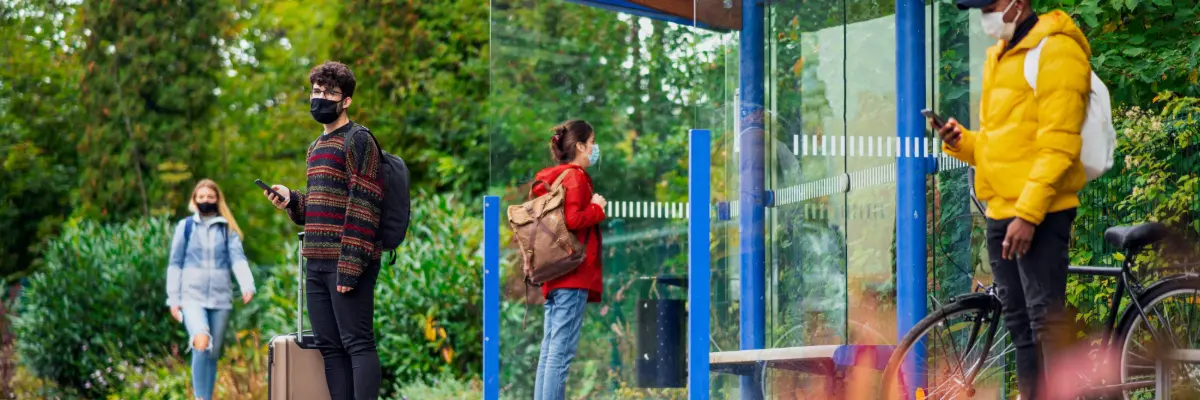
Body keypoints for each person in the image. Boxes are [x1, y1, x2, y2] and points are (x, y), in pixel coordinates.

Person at [939, 0, 1091, 397]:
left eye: (989, 6)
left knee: (1046, 325)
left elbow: (1060, 144)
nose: (983, 15)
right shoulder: (1000, 56)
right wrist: (961, 142)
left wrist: (1028, 214)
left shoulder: (1056, 50)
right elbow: (997, 145)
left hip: (1040, 213)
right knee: (1021, 328)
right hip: (1001, 213)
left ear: (1018, 4)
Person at [264, 61, 384, 400]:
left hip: (347, 262)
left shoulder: (358, 140)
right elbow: (317, 208)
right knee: (330, 348)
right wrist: (291, 201)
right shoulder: (316, 146)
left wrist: (350, 268)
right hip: (314, 262)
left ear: (345, 100)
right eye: (316, 91)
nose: (320, 98)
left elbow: (366, 206)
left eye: (329, 93)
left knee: (358, 344)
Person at [530, 120, 607, 400]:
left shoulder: (555, 177)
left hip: (556, 275)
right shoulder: (574, 177)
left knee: (550, 351)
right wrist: (597, 208)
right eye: (592, 142)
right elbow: (573, 219)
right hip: (573, 276)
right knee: (559, 355)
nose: (594, 149)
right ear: (579, 146)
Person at [165, 179, 256, 400]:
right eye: (202, 197)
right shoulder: (185, 227)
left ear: (217, 200)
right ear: (194, 200)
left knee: (212, 354)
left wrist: (247, 284)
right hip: (191, 297)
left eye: (210, 197)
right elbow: (175, 263)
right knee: (201, 340)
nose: (206, 200)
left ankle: (206, 396)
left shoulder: (227, 229)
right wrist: (173, 299)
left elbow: (238, 259)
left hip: (220, 299)